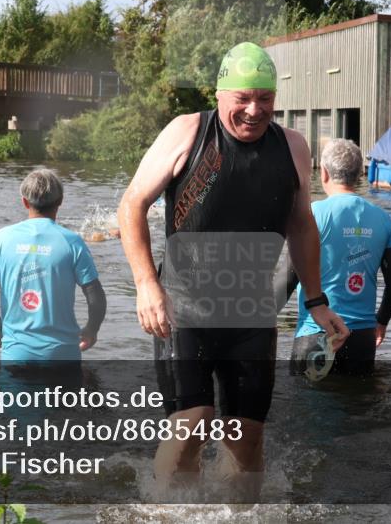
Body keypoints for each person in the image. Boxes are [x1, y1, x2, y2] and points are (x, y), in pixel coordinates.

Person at [117, 42, 349, 500]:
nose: (253, 110)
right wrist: (146, 284)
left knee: (247, 437)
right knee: (192, 423)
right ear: (220, 94)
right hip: (183, 308)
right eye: (242, 98)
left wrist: (318, 302)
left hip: (250, 312)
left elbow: (301, 225)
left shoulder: (293, 147)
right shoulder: (187, 132)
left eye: (264, 99)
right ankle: (168, 511)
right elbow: (132, 206)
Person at [288, 139, 391, 376]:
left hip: (314, 333)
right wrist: (380, 322)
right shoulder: (382, 219)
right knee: (358, 407)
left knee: (302, 408)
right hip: (362, 340)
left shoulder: (312, 215)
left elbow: (288, 279)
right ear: (358, 174)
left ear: (323, 172)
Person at [0, 169, 107, 362]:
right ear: (60, 201)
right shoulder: (72, 242)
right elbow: (96, 299)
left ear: (25, 202)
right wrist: (91, 330)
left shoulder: (1, 239)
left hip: (16, 355)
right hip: (63, 355)